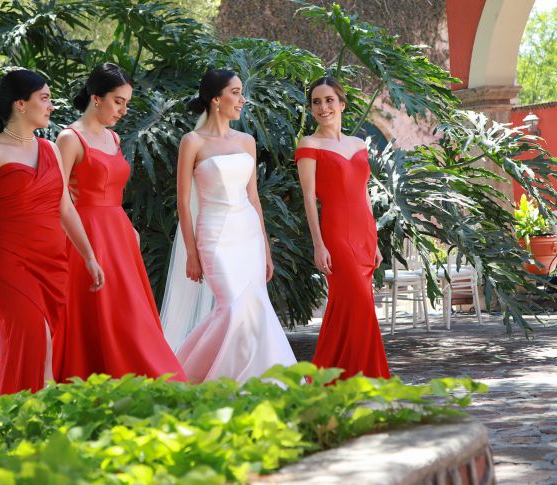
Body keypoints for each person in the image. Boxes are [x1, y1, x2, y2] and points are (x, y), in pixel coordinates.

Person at [0, 69, 104, 396]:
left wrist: (89, 256)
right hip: (10, 264)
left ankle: (29, 421)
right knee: (33, 341)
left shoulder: (50, 149)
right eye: (44, 98)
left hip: (53, 263)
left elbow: (65, 208)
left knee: (46, 350)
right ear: (20, 105)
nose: (51, 106)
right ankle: (26, 420)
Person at [160, 68, 297, 384]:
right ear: (215, 99)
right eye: (235, 92)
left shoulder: (247, 141)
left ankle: (260, 380)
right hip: (215, 236)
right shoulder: (191, 142)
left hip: (247, 235)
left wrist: (265, 248)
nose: (242, 99)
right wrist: (191, 253)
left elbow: (253, 198)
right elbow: (183, 202)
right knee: (232, 309)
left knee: (253, 308)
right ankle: (189, 376)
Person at [55, 63, 187, 382]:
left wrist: (129, 228)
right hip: (86, 235)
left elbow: (114, 194)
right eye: (118, 101)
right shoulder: (69, 138)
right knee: (99, 315)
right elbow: (58, 201)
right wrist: (87, 252)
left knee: (130, 315)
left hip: (120, 237)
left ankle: (149, 381)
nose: (124, 110)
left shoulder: (114, 139)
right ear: (96, 97)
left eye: (127, 103)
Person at [293, 76, 391, 380]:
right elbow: (309, 197)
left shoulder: (359, 145)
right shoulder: (309, 145)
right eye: (317, 102)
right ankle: (366, 378)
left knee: (347, 311)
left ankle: (333, 377)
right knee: (359, 305)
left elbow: (363, 194)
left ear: (342, 103)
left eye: (329, 100)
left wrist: (374, 241)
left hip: (364, 235)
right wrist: (318, 244)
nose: (323, 107)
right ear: (311, 109)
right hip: (335, 235)